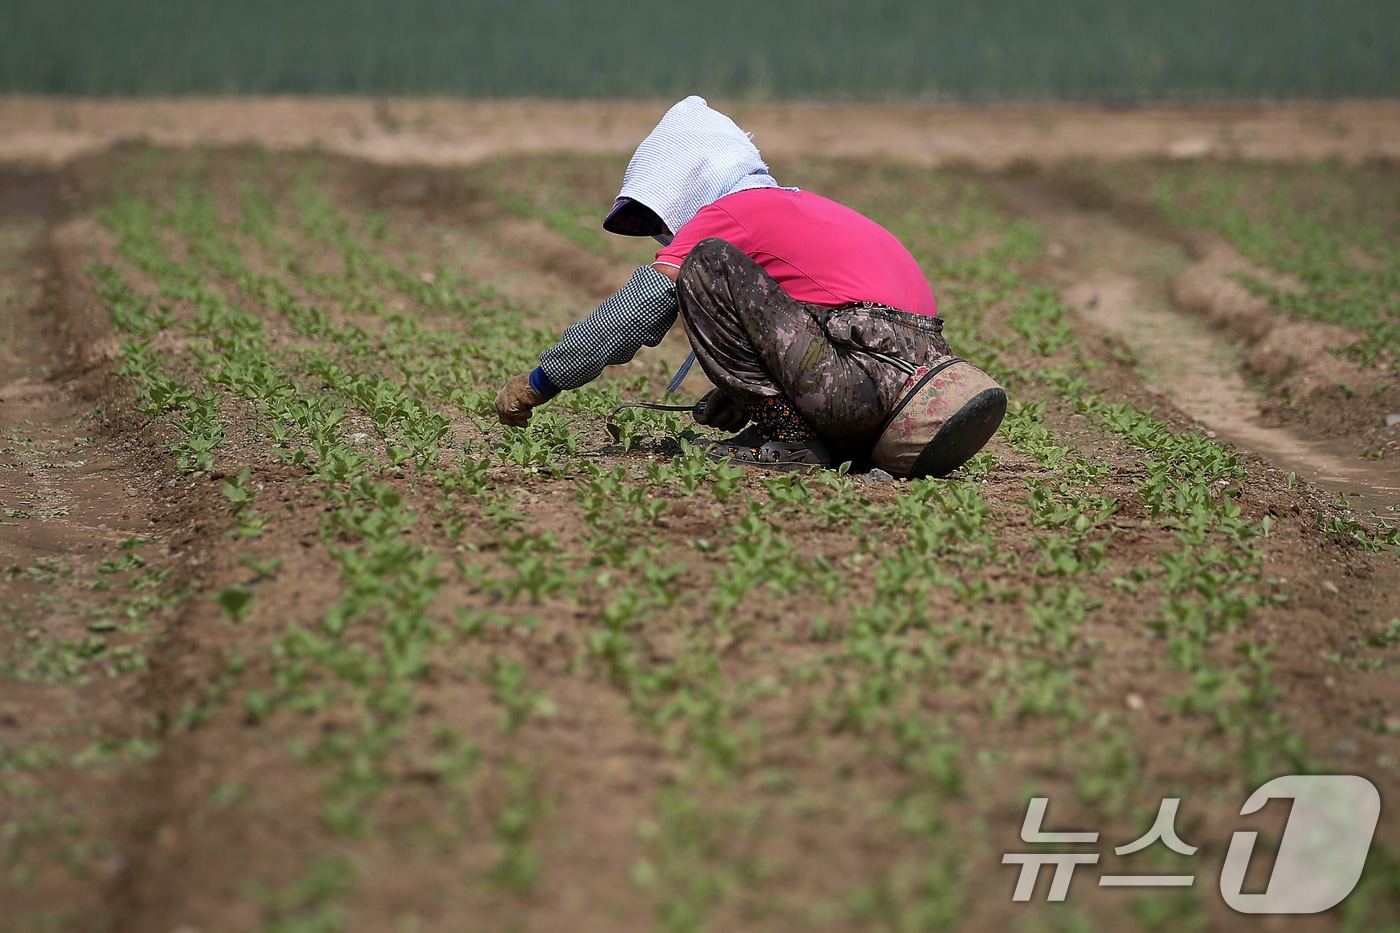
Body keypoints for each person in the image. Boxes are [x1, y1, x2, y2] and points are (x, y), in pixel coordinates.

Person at [495, 95, 968, 474]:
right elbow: (833, 319)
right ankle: (796, 428)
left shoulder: (726, 215)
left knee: (706, 263)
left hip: (864, 390)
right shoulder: (802, 209)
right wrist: (739, 397)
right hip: (929, 386)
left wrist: (541, 382)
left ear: (685, 183)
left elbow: (638, 307)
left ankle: (791, 441)